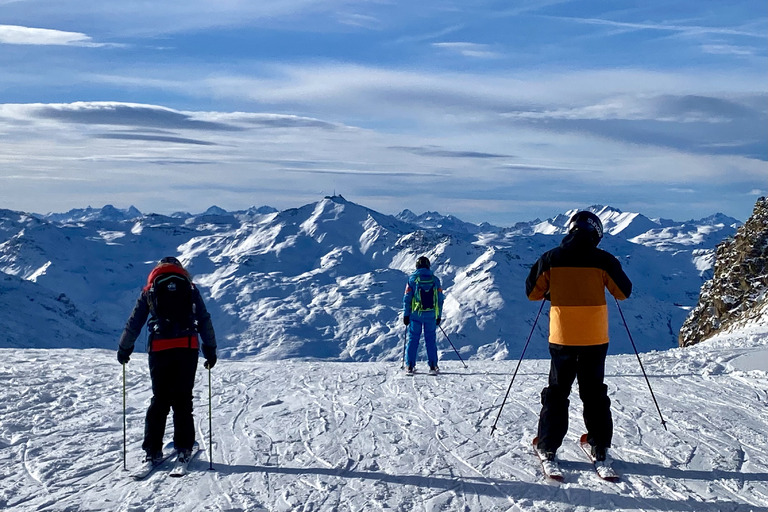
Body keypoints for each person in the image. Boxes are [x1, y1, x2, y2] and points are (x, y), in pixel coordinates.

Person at [525, 211, 632, 465]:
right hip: (595, 338)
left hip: (562, 336)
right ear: (596, 232)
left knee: (558, 392)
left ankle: (548, 445)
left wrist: (554, 292)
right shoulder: (604, 260)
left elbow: (532, 292)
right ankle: (600, 447)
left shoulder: (551, 258)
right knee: (594, 393)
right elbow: (623, 292)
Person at [117, 256, 217, 466]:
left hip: (159, 348)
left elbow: (135, 321)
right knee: (183, 400)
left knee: (160, 399)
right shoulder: (189, 288)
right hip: (187, 347)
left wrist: (125, 348)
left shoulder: (150, 290)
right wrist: (210, 349)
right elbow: (204, 318)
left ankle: (152, 450)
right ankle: (183, 448)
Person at [402, 256, 445, 375]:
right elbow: (440, 299)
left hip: (415, 314)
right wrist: (438, 315)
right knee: (430, 340)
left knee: (413, 339)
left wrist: (406, 315)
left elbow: (407, 298)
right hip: (431, 314)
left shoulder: (412, 279)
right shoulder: (435, 280)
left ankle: (410, 366)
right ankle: (433, 366)